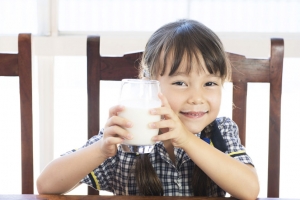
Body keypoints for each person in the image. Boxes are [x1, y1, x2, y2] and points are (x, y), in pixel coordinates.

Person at [36, 19, 259, 198]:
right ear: (149, 85)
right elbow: (46, 185)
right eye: (180, 83)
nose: (196, 97)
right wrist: (101, 150)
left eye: (210, 83)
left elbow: (250, 189)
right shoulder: (128, 134)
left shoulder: (221, 130)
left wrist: (187, 140)